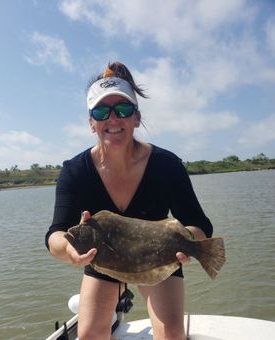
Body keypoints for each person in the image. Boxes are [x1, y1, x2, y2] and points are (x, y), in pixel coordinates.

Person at [45, 61, 213, 340]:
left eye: (123, 109)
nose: (113, 119)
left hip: (156, 258)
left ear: (136, 117)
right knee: (87, 336)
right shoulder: (75, 171)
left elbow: (200, 224)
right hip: (102, 259)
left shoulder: (166, 165)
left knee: (172, 335)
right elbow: (55, 233)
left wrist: (188, 241)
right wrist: (70, 251)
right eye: (101, 111)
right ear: (91, 123)